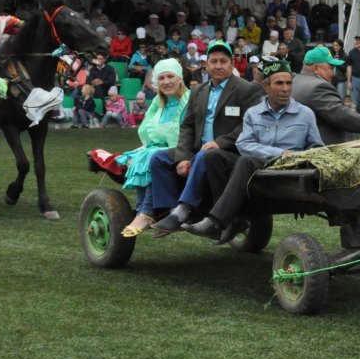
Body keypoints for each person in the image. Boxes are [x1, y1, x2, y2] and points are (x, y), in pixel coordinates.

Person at [184, 59, 324, 243]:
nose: (285, 88)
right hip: (260, 163)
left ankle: (216, 221)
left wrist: (302, 157)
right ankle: (233, 218)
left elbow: (317, 146)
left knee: (245, 161)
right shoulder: (253, 113)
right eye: (279, 83)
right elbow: (244, 144)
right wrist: (278, 153)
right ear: (266, 87)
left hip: (287, 168)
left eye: (288, 83)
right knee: (212, 156)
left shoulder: (305, 113)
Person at [150, 40, 263, 235]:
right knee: (158, 158)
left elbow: (249, 125)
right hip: (199, 149)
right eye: (213, 61)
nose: (218, 66)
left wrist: (220, 142)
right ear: (206, 65)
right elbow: (187, 125)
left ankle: (184, 209)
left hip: (229, 153)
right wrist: (183, 156)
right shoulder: (198, 91)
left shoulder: (247, 89)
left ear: (232, 64)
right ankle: (169, 211)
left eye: (223, 61)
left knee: (205, 155)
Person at [116, 59, 190, 237]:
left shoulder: (190, 100)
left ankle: (147, 212)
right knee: (143, 154)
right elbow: (149, 131)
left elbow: (188, 134)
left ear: (179, 78)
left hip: (183, 150)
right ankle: (142, 208)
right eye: (161, 78)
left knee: (153, 156)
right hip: (162, 149)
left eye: (170, 76)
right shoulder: (159, 102)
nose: (166, 82)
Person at [292, 46, 360, 144]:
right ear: (316, 67)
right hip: (325, 148)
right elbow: (341, 115)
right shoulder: (318, 87)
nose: (333, 73)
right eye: (330, 67)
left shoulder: (295, 81)